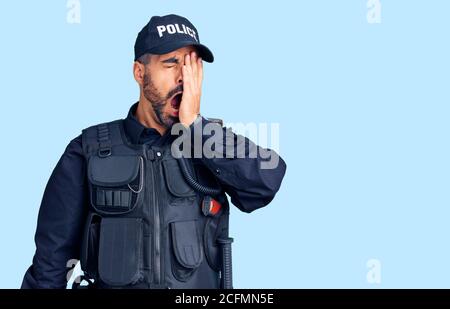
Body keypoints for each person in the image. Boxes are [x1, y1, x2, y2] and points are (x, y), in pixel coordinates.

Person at [22, 14, 286, 289]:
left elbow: (266, 183)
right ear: (139, 72)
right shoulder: (88, 149)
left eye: (191, 65)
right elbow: (50, 264)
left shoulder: (211, 143)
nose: (183, 77)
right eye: (171, 63)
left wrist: (196, 127)